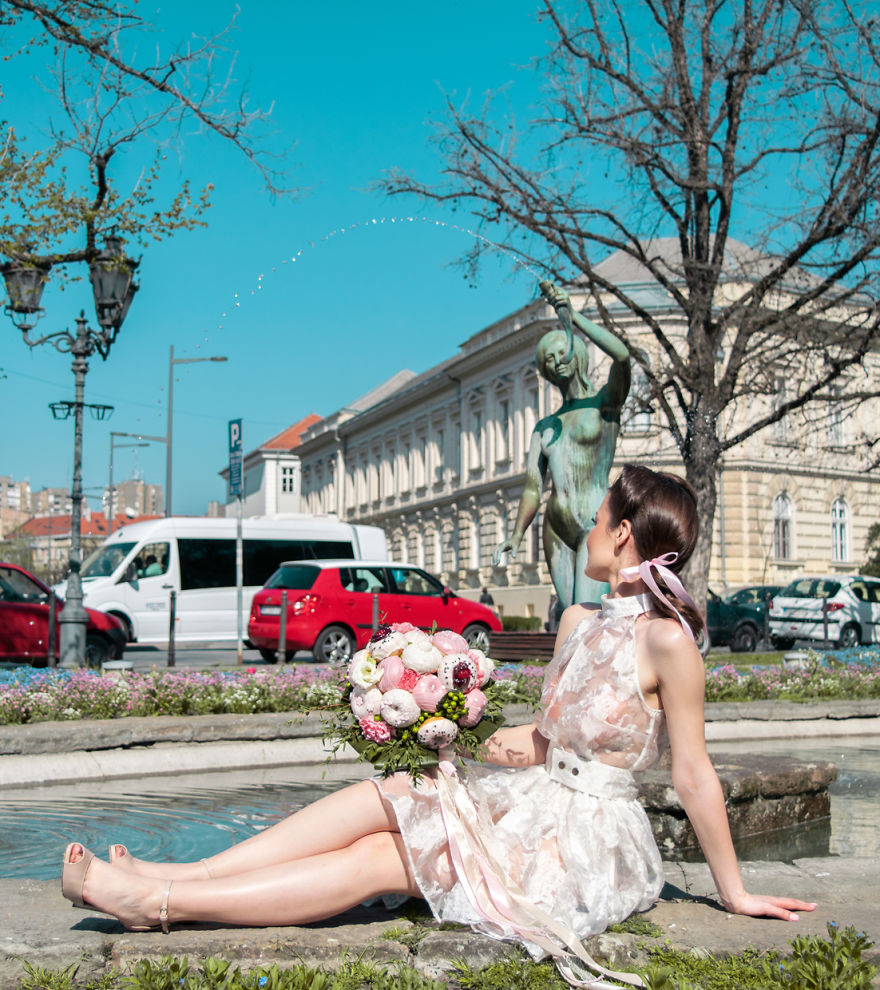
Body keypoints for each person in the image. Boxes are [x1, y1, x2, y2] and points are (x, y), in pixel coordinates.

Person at [61, 465, 814, 985]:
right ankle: (171, 874)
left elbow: (693, 772)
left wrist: (736, 891)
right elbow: (544, 745)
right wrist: (444, 728)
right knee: (394, 789)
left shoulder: (669, 642)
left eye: (596, 519)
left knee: (389, 861)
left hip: (585, 840)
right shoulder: (578, 620)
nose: (584, 528)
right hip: (535, 799)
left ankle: (159, 905)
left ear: (623, 537)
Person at [494, 282, 630, 610]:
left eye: (561, 352)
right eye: (549, 358)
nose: (557, 361)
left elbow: (622, 356)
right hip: (555, 527)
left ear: (576, 351)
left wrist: (573, 317)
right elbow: (532, 488)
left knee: (587, 612)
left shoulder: (604, 404)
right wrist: (516, 535)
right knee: (569, 615)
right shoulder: (544, 427)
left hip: (595, 522)